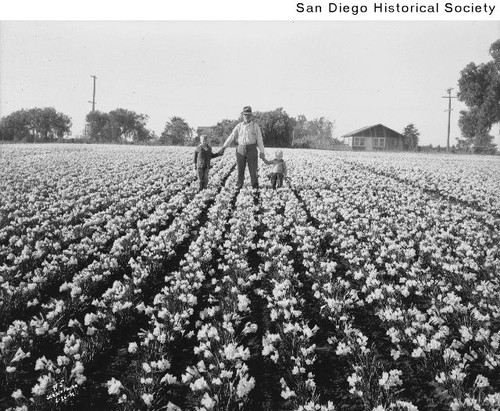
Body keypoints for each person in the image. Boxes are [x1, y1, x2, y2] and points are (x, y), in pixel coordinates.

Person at [221, 106, 265, 189]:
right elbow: (232, 136)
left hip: (251, 148)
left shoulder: (255, 126)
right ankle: (239, 184)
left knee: (253, 168)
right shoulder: (239, 126)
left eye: (248, 115)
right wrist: (224, 147)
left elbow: (259, 139)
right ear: (242, 115)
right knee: (240, 168)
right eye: (245, 115)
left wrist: (262, 151)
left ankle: (254, 185)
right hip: (240, 148)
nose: (246, 116)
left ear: (251, 116)